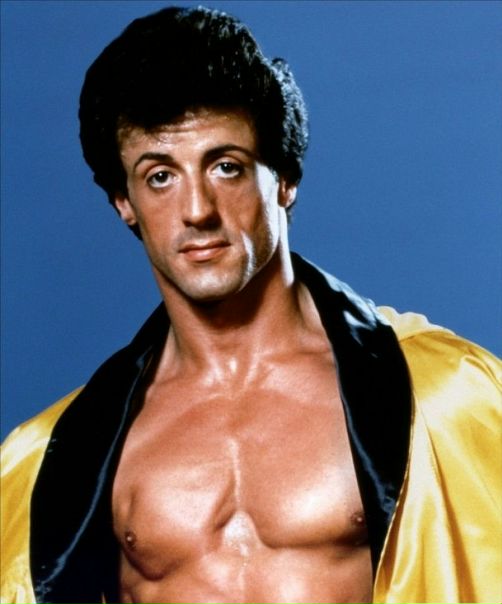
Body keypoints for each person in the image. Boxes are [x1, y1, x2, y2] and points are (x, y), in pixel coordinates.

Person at [1, 6, 500, 604]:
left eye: (226, 167)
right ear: (123, 202)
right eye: (159, 176)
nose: (197, 210)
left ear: (284, 179)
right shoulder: (48, 458)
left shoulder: (446, 399)